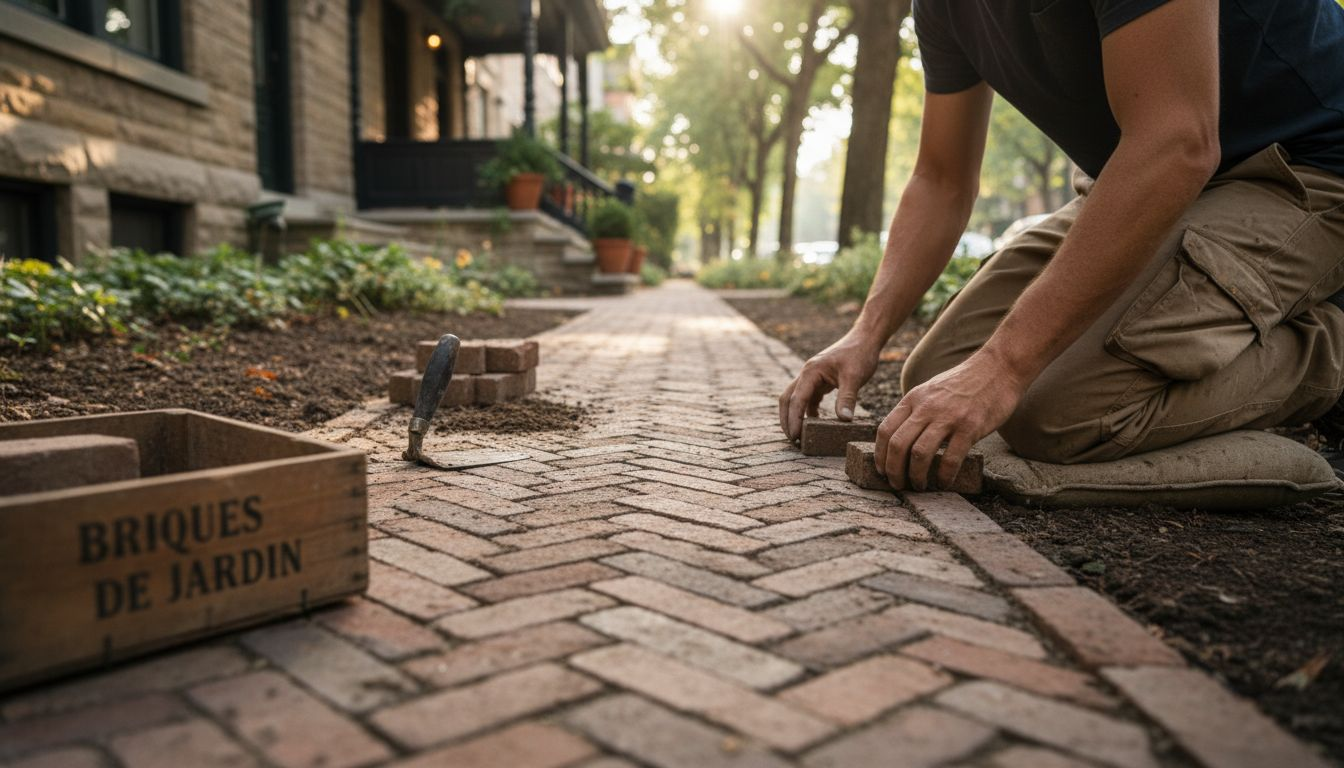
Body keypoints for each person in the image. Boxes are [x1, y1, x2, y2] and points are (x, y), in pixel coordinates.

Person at [779, 0, 1344, 490]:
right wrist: (866, 334)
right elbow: (942, 179)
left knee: (1057, 414)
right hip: (1153, 176)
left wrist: (1003, 366)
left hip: (1304, 164)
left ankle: (1328, 347)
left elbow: (1177, 142)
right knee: (940, 375)